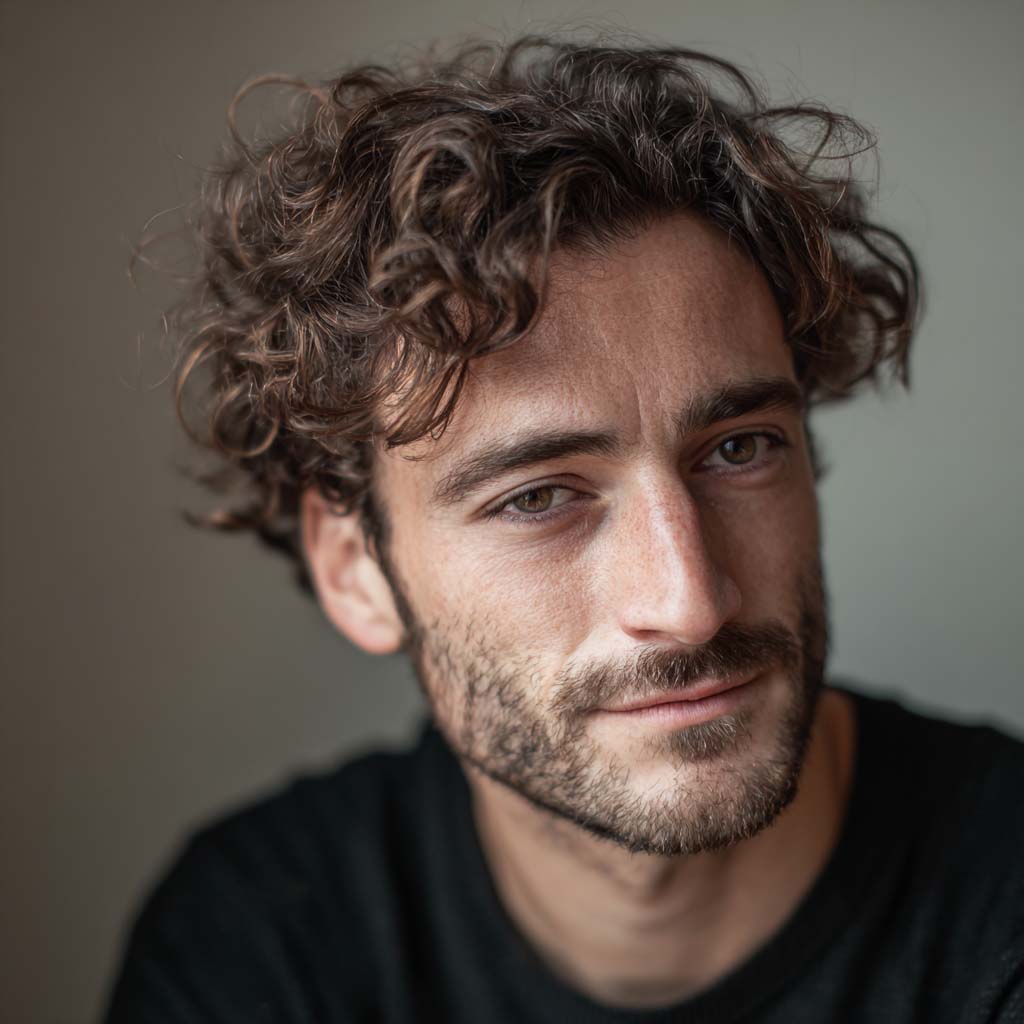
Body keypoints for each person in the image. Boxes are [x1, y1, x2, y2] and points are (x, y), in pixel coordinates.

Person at [104, 35, 1024, 1023]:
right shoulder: (257, 942)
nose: (689, 602)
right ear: (355, 568)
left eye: (738, 448)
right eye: (539, 496)